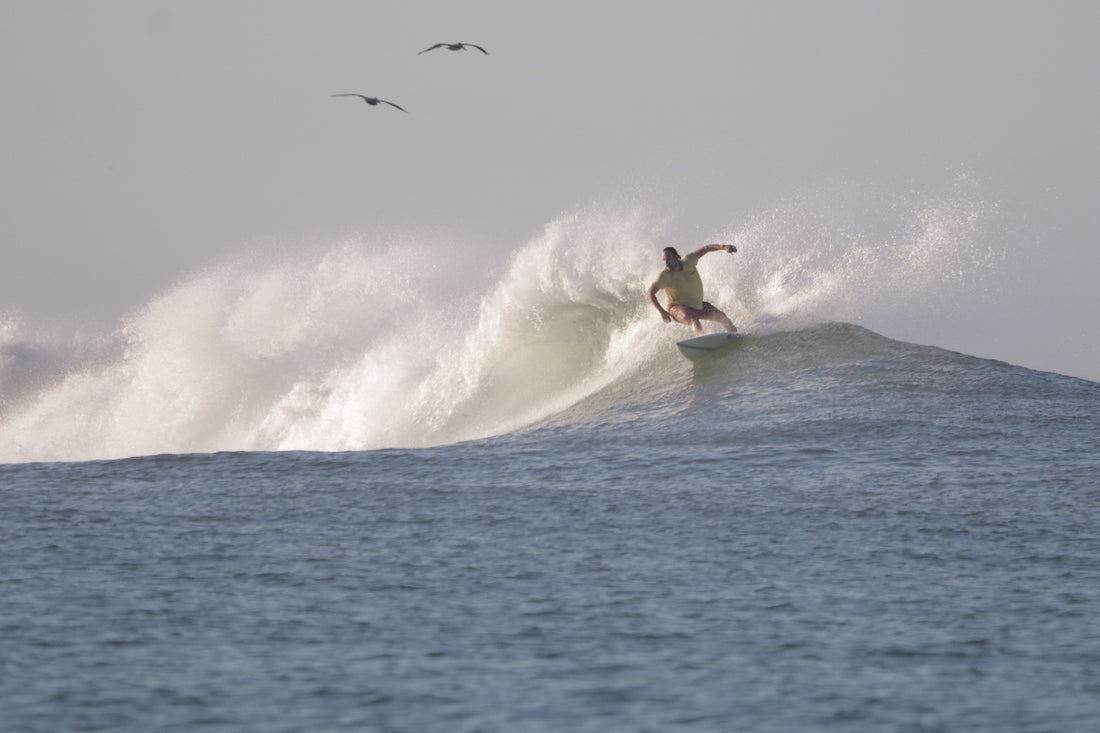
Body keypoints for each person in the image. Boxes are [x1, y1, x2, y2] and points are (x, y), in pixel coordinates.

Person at [646, 243, 738, 335]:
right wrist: (662, 311)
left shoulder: (689, 260)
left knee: (721, 316)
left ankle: (735, 335)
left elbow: (707, 248)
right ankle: (700, 342)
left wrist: (724, 247)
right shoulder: (663, 275)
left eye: (668, 259)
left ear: (676, 257)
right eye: (664, 260)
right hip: (677, 307)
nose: (666, 263)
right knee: (693, 320)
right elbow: (650, 293)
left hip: (696, 305)